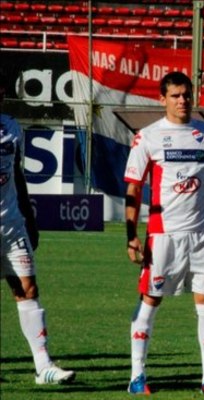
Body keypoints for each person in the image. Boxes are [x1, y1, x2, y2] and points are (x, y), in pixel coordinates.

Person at [123, 71, 204, 396]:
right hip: (163, 236)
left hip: (202, 236)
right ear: (163, 99)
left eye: (186, 95)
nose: (182, 101)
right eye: (175, 95)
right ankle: (136, 377)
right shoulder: (149, 137)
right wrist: (131, 234)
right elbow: (133, 187)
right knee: (150, 301)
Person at [0, 76, 76, 385]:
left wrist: (30, 220)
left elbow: (17, 174)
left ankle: (43, 366)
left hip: (12, 224)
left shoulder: (11, 127)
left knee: (28, 289)